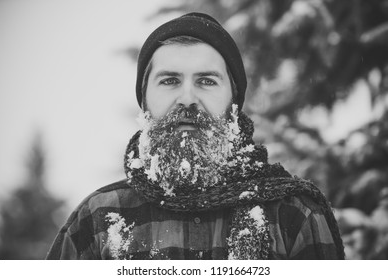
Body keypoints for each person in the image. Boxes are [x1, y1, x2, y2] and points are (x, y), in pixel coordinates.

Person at [46, 12, 344, 260]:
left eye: (206, 81)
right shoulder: (97, 219)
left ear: (234, 102)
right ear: (145, 101)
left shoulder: (294, 215)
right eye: (170, 80)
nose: (187, 97)